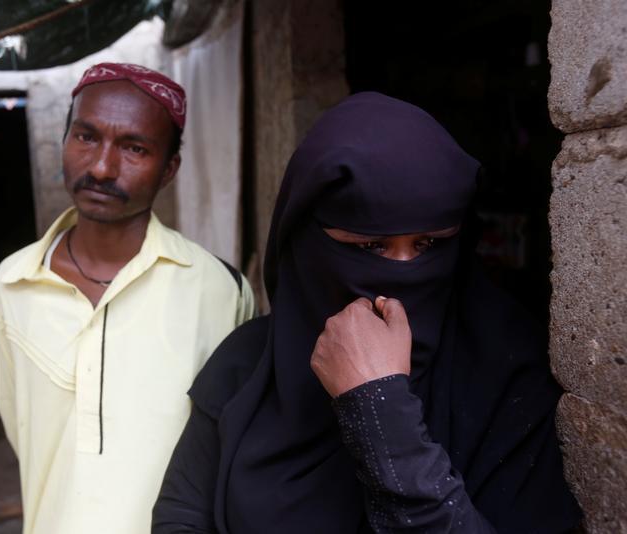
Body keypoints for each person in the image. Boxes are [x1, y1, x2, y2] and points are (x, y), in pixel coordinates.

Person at [152, 92, 581, 533]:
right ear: (305, 243)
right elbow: (180, 517)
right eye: (370, 247)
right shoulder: (246, 365)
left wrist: (379, 408)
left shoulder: (506, 373)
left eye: (428, 245)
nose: (402, 277)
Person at [0, 63, 255, 534]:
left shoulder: (220, 291)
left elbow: (230, 450)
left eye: (134, 148)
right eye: (86, 137)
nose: (102, 167)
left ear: (169, 168)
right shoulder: (14, 284)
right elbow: (24, 434)